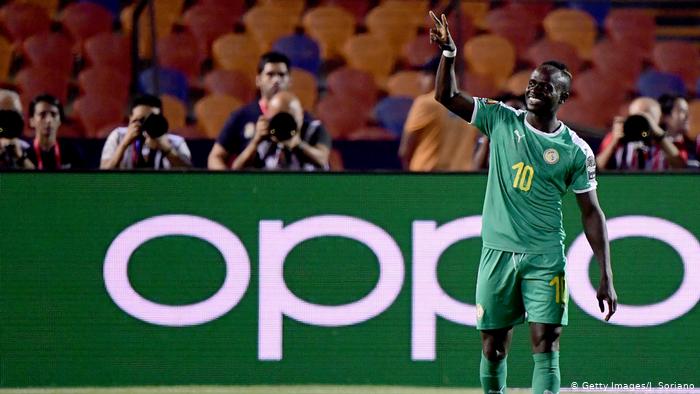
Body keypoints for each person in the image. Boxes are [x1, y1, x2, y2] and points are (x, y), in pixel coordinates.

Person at [429, 11, 617, 394]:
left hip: (545, 255)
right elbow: (446, 96)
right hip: (496, 253)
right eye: (532, 83)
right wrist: (449, 52)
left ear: (562, 96)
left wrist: (606, 274)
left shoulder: (576, 151)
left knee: (546, 344)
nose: (534, 90)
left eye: (545, 87)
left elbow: (591, 213)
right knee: (493, 348)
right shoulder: (500, 119)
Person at [207, 51, 330, 170]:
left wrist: (297, 143)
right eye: (270, 74)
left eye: (282, 75)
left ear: (290, 81)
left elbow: (323, 159)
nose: (276, 80)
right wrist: (227, 183)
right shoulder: (241, 117)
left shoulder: (308, 122)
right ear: (258, 80)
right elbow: (215, 157)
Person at [399, 56, 478, 171]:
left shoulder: (425, 103)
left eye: (425, 75)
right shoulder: (472, 104)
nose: (419, 81)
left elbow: (405, 150)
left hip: (427, 177)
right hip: (462, 178)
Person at [231, 91, 330, 170]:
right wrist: (256, 141)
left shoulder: (314, 130)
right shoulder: (265, 135)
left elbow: (322, 159)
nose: (284, 125)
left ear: (301, 115)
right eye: (279, 119)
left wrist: (298, 144)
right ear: (268, 117)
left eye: (289, 119)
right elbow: (236, 170)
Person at [100, 95, 192, 170]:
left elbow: (190, 176)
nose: (145, 126)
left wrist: (167, 150)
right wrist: (124, 144)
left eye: (151, 120)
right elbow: (103, 173)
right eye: (140, 120)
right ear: (130, 118)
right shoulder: (118, 136)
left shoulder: (176, 142)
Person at [26, 94, 85, 170]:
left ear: (60, 120)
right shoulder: (25, 154)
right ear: (32, 121)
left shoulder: (72, 153)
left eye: (53, 115)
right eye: (42, 114)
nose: (48, 120)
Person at [471, 93, 526, 171]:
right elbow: (477, 168)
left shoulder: (528, 137)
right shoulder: (488, 135)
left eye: (518, 112)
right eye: (508, 113)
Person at [658, 94, 696, 167]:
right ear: (665, 116)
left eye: (687, 111)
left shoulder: (695, 147)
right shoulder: (653, 148)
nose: (688, 116)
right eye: (682, 111)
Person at [0, 89, 34, 169]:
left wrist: (21, 158)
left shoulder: (30, 149)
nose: (7, 122)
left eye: (13, 116)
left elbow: (41, 180)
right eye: (2, 116)